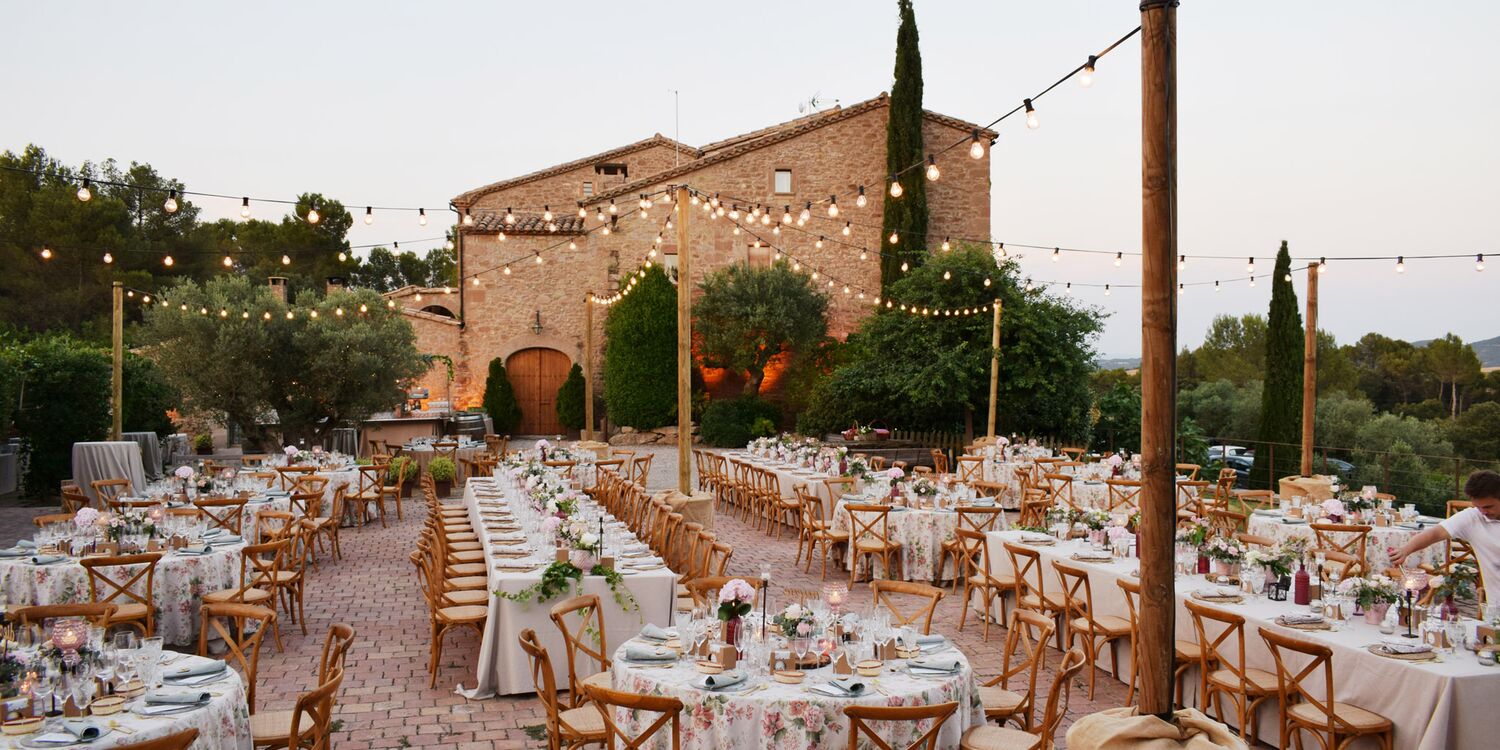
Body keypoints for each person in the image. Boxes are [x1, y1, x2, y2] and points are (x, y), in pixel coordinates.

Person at [1391, 469, 1499, 605]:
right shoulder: (1473, 517)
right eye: (1478, 507)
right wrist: (1405, 550)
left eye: (1488, 507)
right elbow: (1434, 533)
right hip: (1495, 606)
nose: (1483, 512)